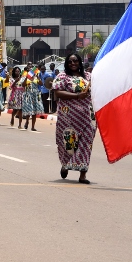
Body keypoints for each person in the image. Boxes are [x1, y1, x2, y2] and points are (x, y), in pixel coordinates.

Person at [52, 53, 94, 184]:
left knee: (86, 144)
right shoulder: (62, 77)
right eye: (70, 62)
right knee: (69, 144)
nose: (73, 63)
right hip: (68, 117)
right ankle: (66, 164)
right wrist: (76, 96)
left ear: (80, 62)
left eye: (75, 61)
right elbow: (57, 92)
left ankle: (83, 175)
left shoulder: (89, 76)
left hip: (87, 116)